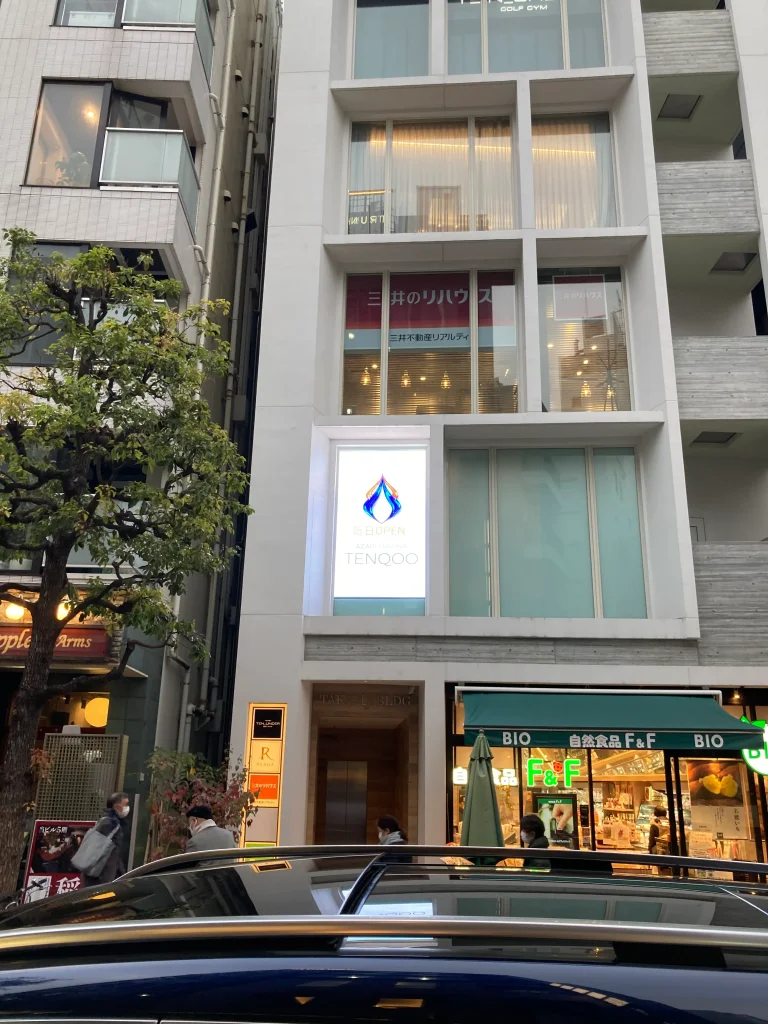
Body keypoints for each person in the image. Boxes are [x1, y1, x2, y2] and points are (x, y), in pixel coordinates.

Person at [83, 792, 130, 887]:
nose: (127, 808)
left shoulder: (111, 822)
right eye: (125, 804)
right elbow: (101, 851)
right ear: (116, 806)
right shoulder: (109, 823)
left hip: (104, 874)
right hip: (100, 876)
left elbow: (114, 852)